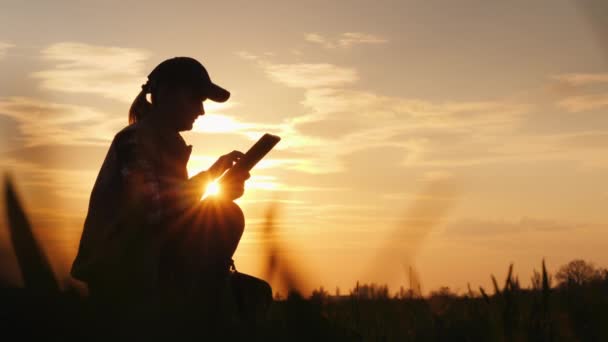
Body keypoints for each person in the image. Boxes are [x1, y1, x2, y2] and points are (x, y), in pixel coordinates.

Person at [70, 57, 271, 335]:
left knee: (251, 285)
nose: (201, 110)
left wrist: (215, 181)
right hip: (124, 277)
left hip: (152, 270)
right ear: (165, 94)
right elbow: (153, 210)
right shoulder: (134, 140)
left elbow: (172, 213)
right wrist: (212, 186)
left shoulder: (167, 145)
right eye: (195, 99)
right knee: (226, 216)